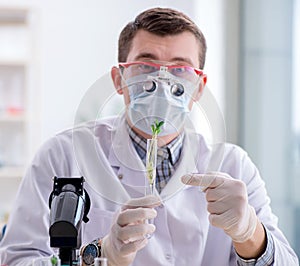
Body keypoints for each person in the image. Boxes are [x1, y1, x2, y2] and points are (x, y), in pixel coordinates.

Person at [0, 7, 298, 266]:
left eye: (180, 69)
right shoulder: (63, 156)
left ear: (199, 87)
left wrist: (250, 234)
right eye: (145, 66)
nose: (162, 82)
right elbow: (17, 260)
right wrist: (101, 255)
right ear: (119, 79)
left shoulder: (234, 166)